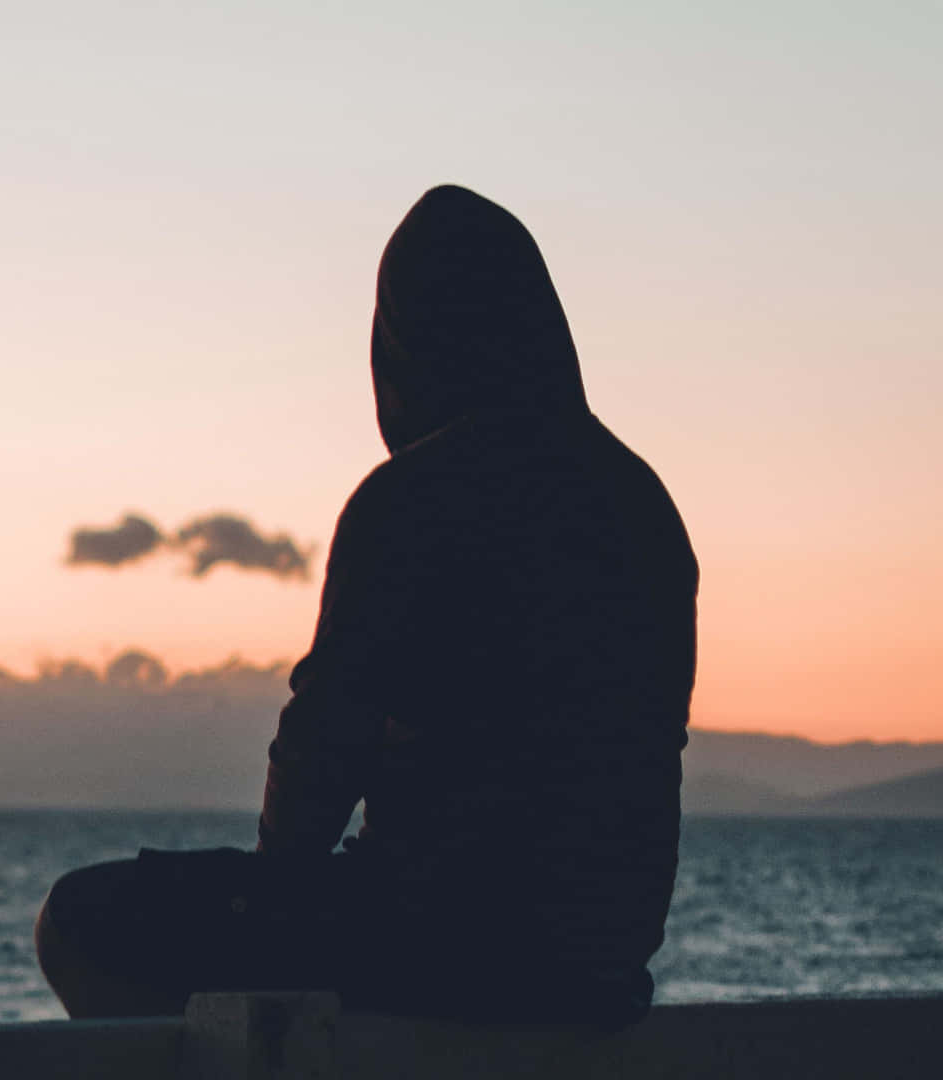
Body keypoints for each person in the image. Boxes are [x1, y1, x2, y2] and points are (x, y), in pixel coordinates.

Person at [34, 185, 698, 1027]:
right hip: (598, 974)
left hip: (428, 948)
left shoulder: (413, 500)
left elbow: (318, 763)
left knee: (78, 922)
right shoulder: (643, 507)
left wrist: (273, 897)